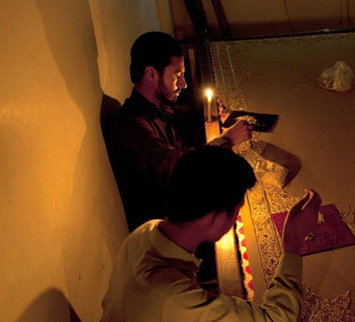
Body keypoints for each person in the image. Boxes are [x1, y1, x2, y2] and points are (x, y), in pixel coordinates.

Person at [98, 146, 322, 322]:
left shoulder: (145, 231)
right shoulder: (177, 300)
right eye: (237, 210)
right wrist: (292, 245)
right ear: (216, 219)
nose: (237, 217)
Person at [108, 31, 254, 231]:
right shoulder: (130, 126)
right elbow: (178, 170)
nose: (183, 84)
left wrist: (204, 109)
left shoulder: (153, 106)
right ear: (151, 73)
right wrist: (226, 140)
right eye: (177, 75)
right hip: (169, 225)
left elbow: (175, 117)